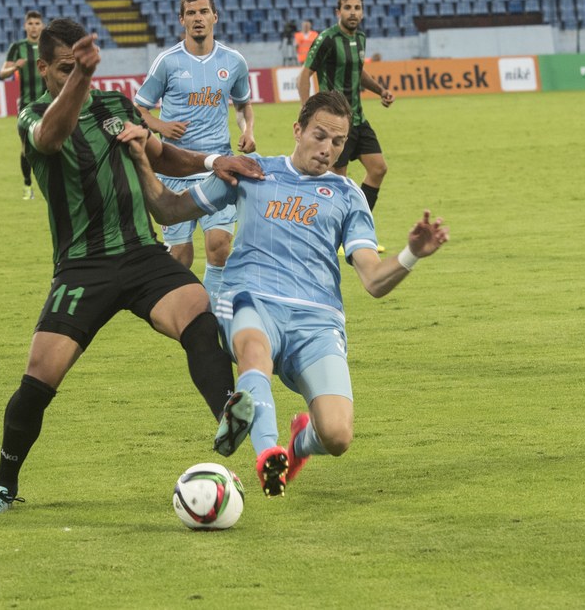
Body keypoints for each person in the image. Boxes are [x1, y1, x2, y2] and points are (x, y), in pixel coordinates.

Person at [0, 18, 262, 515]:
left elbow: (161, 154)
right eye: (64, 69)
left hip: (142, 253)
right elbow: (52, 138)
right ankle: (3, 484)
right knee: (40, 377)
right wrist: (82, 76)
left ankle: (227, 414)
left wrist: (213, 161)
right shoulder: (33, 114)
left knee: (196, 308)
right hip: (82, 267)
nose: (73, 76)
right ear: (43, 69)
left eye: (79, 67)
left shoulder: (115, 105)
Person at [129, 90, 449, 497]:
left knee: (337, 435)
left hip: (317, 321)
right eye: (320, 136)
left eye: (338, 142)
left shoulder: (348, 195)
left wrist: (411, 254)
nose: (328, 149)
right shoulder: (251, 172)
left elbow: (372, 279)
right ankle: (268, 454)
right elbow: (170, 210)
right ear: (298, 130)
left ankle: (297, 445)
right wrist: (141, 160)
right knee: (254, 351)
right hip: (250, 299)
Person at [134, 0, 255, 307]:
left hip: (219, 168)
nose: (198, 18)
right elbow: (139, 108)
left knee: (219, 247)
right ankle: (177, 309)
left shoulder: (234, 61)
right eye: (191, 13)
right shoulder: (167, 62)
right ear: (182, 20)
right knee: (180, 256)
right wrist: (160, 126)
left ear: (215, 16)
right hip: (175, 170)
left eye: (203, 11)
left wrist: (248, 130)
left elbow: (243, 105)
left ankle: (211, 312)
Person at [298, 0, 394, 238]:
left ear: (362, 12)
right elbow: (305, 75)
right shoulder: (327, 39)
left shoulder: (360, 38)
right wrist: (306, 112)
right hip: (334, 124)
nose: (353, 13)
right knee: (337, 182)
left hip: (358, 119)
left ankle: (356, 227)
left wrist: (380, 90)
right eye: (348, 8)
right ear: (338, 11)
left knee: (378, 169)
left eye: (357, 8)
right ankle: (333, 234)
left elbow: (358, 70)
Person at [0, 10, 45, 199]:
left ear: (42, 26)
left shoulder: (49, 45)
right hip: (27, 105)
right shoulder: (17, 47)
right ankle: (27, 185)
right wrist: (15, 67)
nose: (34, 27)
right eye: (30, 23)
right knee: (27, 148)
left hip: (50, 103)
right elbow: (2, 73)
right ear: (25, 26)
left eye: (37, 23)